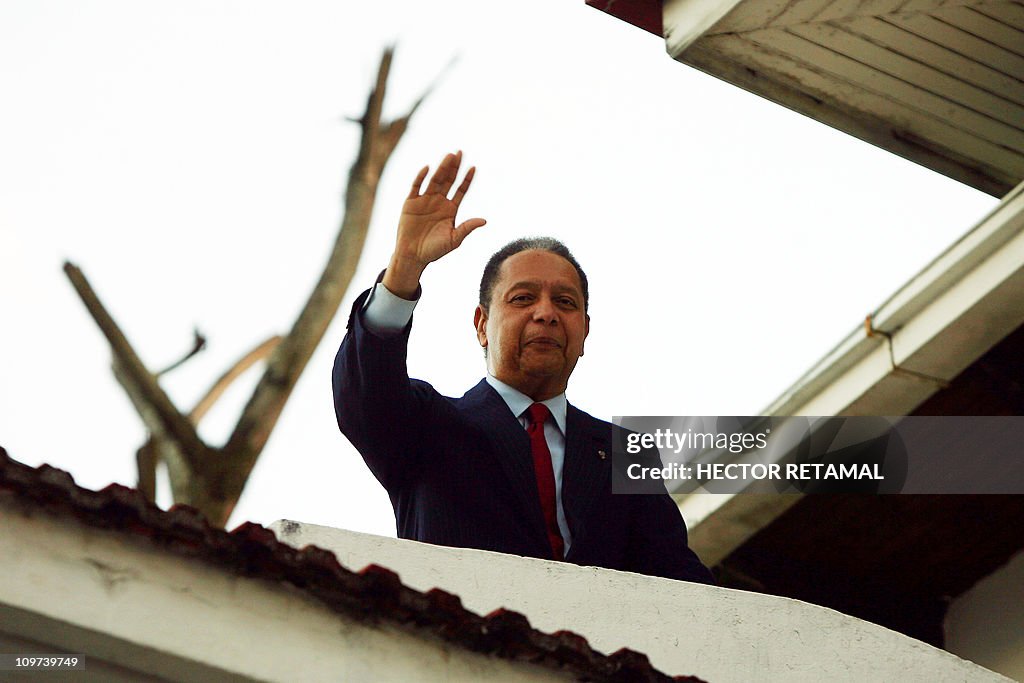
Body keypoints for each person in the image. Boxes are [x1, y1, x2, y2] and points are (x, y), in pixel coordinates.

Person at [333, 151, 714, 584]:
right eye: (522, 298)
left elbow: (679, 579)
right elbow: (363, 399)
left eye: (565, 303)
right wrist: (404, 268)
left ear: (585, 331)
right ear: (482, 325)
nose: (546, 314)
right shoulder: (428, 425)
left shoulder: (626, 453)